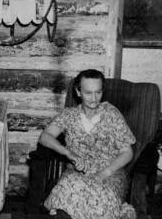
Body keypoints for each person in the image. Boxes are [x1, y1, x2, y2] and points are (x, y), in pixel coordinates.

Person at [39, 69, 136, 219]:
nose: (93, 98)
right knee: (68, 191)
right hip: (77, 174)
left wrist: (104, 173)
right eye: (88, 93)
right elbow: (45, 137)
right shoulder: (69, 115)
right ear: (78, 92)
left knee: (99, 201)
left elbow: (127, 152)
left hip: (110, 173)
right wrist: (68, 153)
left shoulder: (112, 114)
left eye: (98, 92)